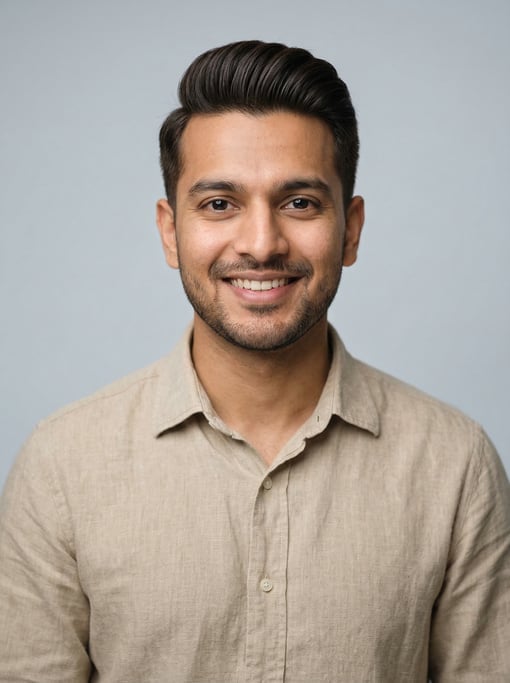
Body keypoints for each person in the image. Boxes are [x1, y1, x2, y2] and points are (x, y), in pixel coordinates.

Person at [0, 40, 509, 683]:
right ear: (169, 230)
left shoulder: (455, 466)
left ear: (350, 230)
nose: (262, 243)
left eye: (300, 202)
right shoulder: (62, 467)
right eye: (219, 204)